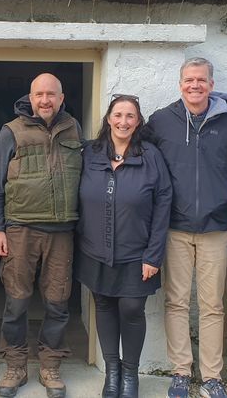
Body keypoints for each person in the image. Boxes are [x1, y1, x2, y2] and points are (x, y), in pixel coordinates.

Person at [144, 57, 227, 398]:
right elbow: (143, 161)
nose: (195, 85)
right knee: (175, 302)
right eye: (189, 80)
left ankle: (212, 377)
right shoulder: (161, 121)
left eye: (201, 80)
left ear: (212, 85)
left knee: (212, 303)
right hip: (174, 226)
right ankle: (180, 372)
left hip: (216, 227)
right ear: (180, 84)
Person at [0, 73, 83, 398]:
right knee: (16, 301)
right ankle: (15, 365)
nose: (45, 100)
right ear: (30, 97)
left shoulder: (73, 128)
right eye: (40, 94)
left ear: (61, 97)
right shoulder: (11, 131)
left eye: (51, 94)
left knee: (58, 302)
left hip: (62, 231)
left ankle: (50, 364)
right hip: (20, 230)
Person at [75, 95, 171, 398]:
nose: (123, 121)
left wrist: (153, 254)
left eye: (130, 116)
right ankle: (112, 372)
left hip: (137, 251)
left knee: (131, 308)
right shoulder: (90, 152)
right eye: (118, 115)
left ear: (138, 121)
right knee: (103, 305)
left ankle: (130, 374)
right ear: (108, 118)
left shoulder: (151, 155)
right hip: (95, 249)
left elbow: (164, 202)